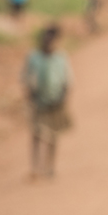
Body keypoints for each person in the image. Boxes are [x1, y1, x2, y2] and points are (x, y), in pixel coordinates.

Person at [22, 24, 73, 179]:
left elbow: (67, 81)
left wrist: (63, 100)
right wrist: (30, 99)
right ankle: (35, 167)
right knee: (37, 134)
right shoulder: (33, 58)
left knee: (53, 136)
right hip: (39, 101)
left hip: (56, 102)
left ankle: (50, 167)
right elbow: (26, 80)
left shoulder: (61, 58)